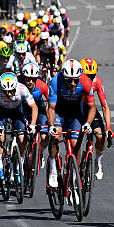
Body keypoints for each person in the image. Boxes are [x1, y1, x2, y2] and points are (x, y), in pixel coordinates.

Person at [45, 59, 97, 188]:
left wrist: (88, 123)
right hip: (59, 111)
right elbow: (51, 108)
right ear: (63, 76)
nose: (72, 83)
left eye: (75, 80)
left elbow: (92, 107)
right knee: (55, 136)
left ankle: (74, 176)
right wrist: (51, 126)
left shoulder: (85, 81)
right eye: (69, 80)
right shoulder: (55, 81)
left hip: (75, 112)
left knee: (76, 145)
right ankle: (52, 168)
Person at [0, 72, 37, 181]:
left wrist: (32, 124)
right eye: (6, 92)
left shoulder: (22, 88)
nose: (9, 94)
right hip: (2, 112)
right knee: (0, 137)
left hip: (17, 111)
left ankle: (19, 168)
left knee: (23, 139)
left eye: (11, 91)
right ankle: (0, 167)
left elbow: (34, 107)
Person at [80, 59, 112, 179]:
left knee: (100, 136)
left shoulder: (97, 81)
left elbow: (105, 106)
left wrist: (108, 127)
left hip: (91, 110)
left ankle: (98, 162)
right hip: (78, 110)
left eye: (93, 75)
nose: (90, 78)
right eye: (88, 76)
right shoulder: (76, 81)